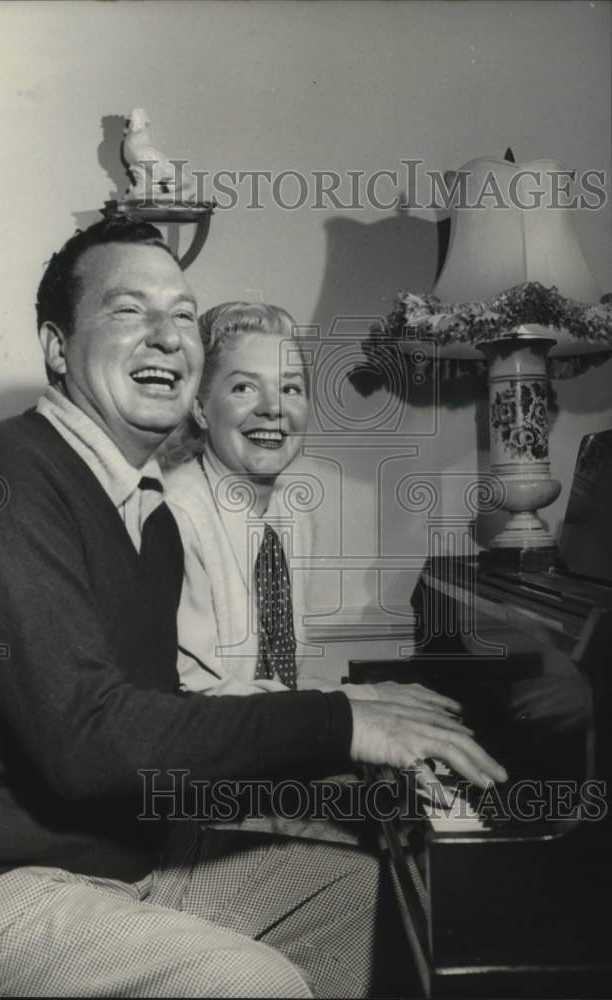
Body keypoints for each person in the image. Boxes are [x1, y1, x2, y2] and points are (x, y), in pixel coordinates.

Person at [0, 219, 506, 998]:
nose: (167, 336)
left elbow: (161, 724)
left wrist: (355, 745)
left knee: (369, 899)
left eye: (181, 314)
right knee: (250, 983)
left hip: (115, 867)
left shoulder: (150, 519)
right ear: (58, 346)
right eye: (130, 312)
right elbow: (89, 741)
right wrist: (340, 722)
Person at [162, 302, 461, 995]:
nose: (274, 408)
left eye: (290, 388)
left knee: (404, 849)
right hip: (186, 823)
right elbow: (192, 711)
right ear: (202, 407)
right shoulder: (175, 520)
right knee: (391, 884)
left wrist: (373, 743)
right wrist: (353, 724)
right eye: (244, 387)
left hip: (243, 787)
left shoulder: (279, 518)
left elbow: (273, 686)